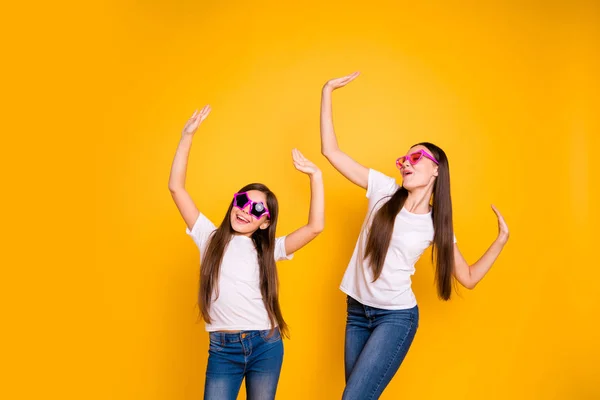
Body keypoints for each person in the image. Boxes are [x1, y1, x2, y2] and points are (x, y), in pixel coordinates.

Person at [319, 73, 510, 400]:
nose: (406, 163)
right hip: (356, 311)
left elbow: (467, 277)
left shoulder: (437, 224)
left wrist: (500, 241)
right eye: (404, 159)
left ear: (437, 169)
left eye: (416, 157)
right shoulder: (382, 190)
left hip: (395, 318)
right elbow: (331, 152)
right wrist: (327, 93)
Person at [169, 105, 325, 400]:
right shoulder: (209, 237)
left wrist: (315, 176)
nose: (244, 210)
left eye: (256, 209)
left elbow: (315, 227)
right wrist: (186, 136)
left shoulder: (269, 249)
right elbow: (176, 188)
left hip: (265, 344)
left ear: (265, 221)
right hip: (222, 348)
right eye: (242, 200)